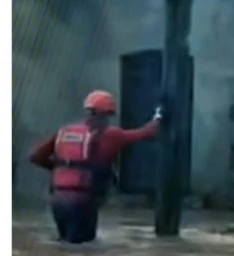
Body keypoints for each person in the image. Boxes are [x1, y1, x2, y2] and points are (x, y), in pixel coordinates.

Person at [28, 90, 163, 244]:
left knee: (65, 244)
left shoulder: (64, 132)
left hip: (57, 201)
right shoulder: (109, 134)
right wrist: (159, 115)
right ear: (106, 115)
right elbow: (146, 132)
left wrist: (60, 169)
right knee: (84, 251)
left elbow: (34, 156)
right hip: (81, 202)